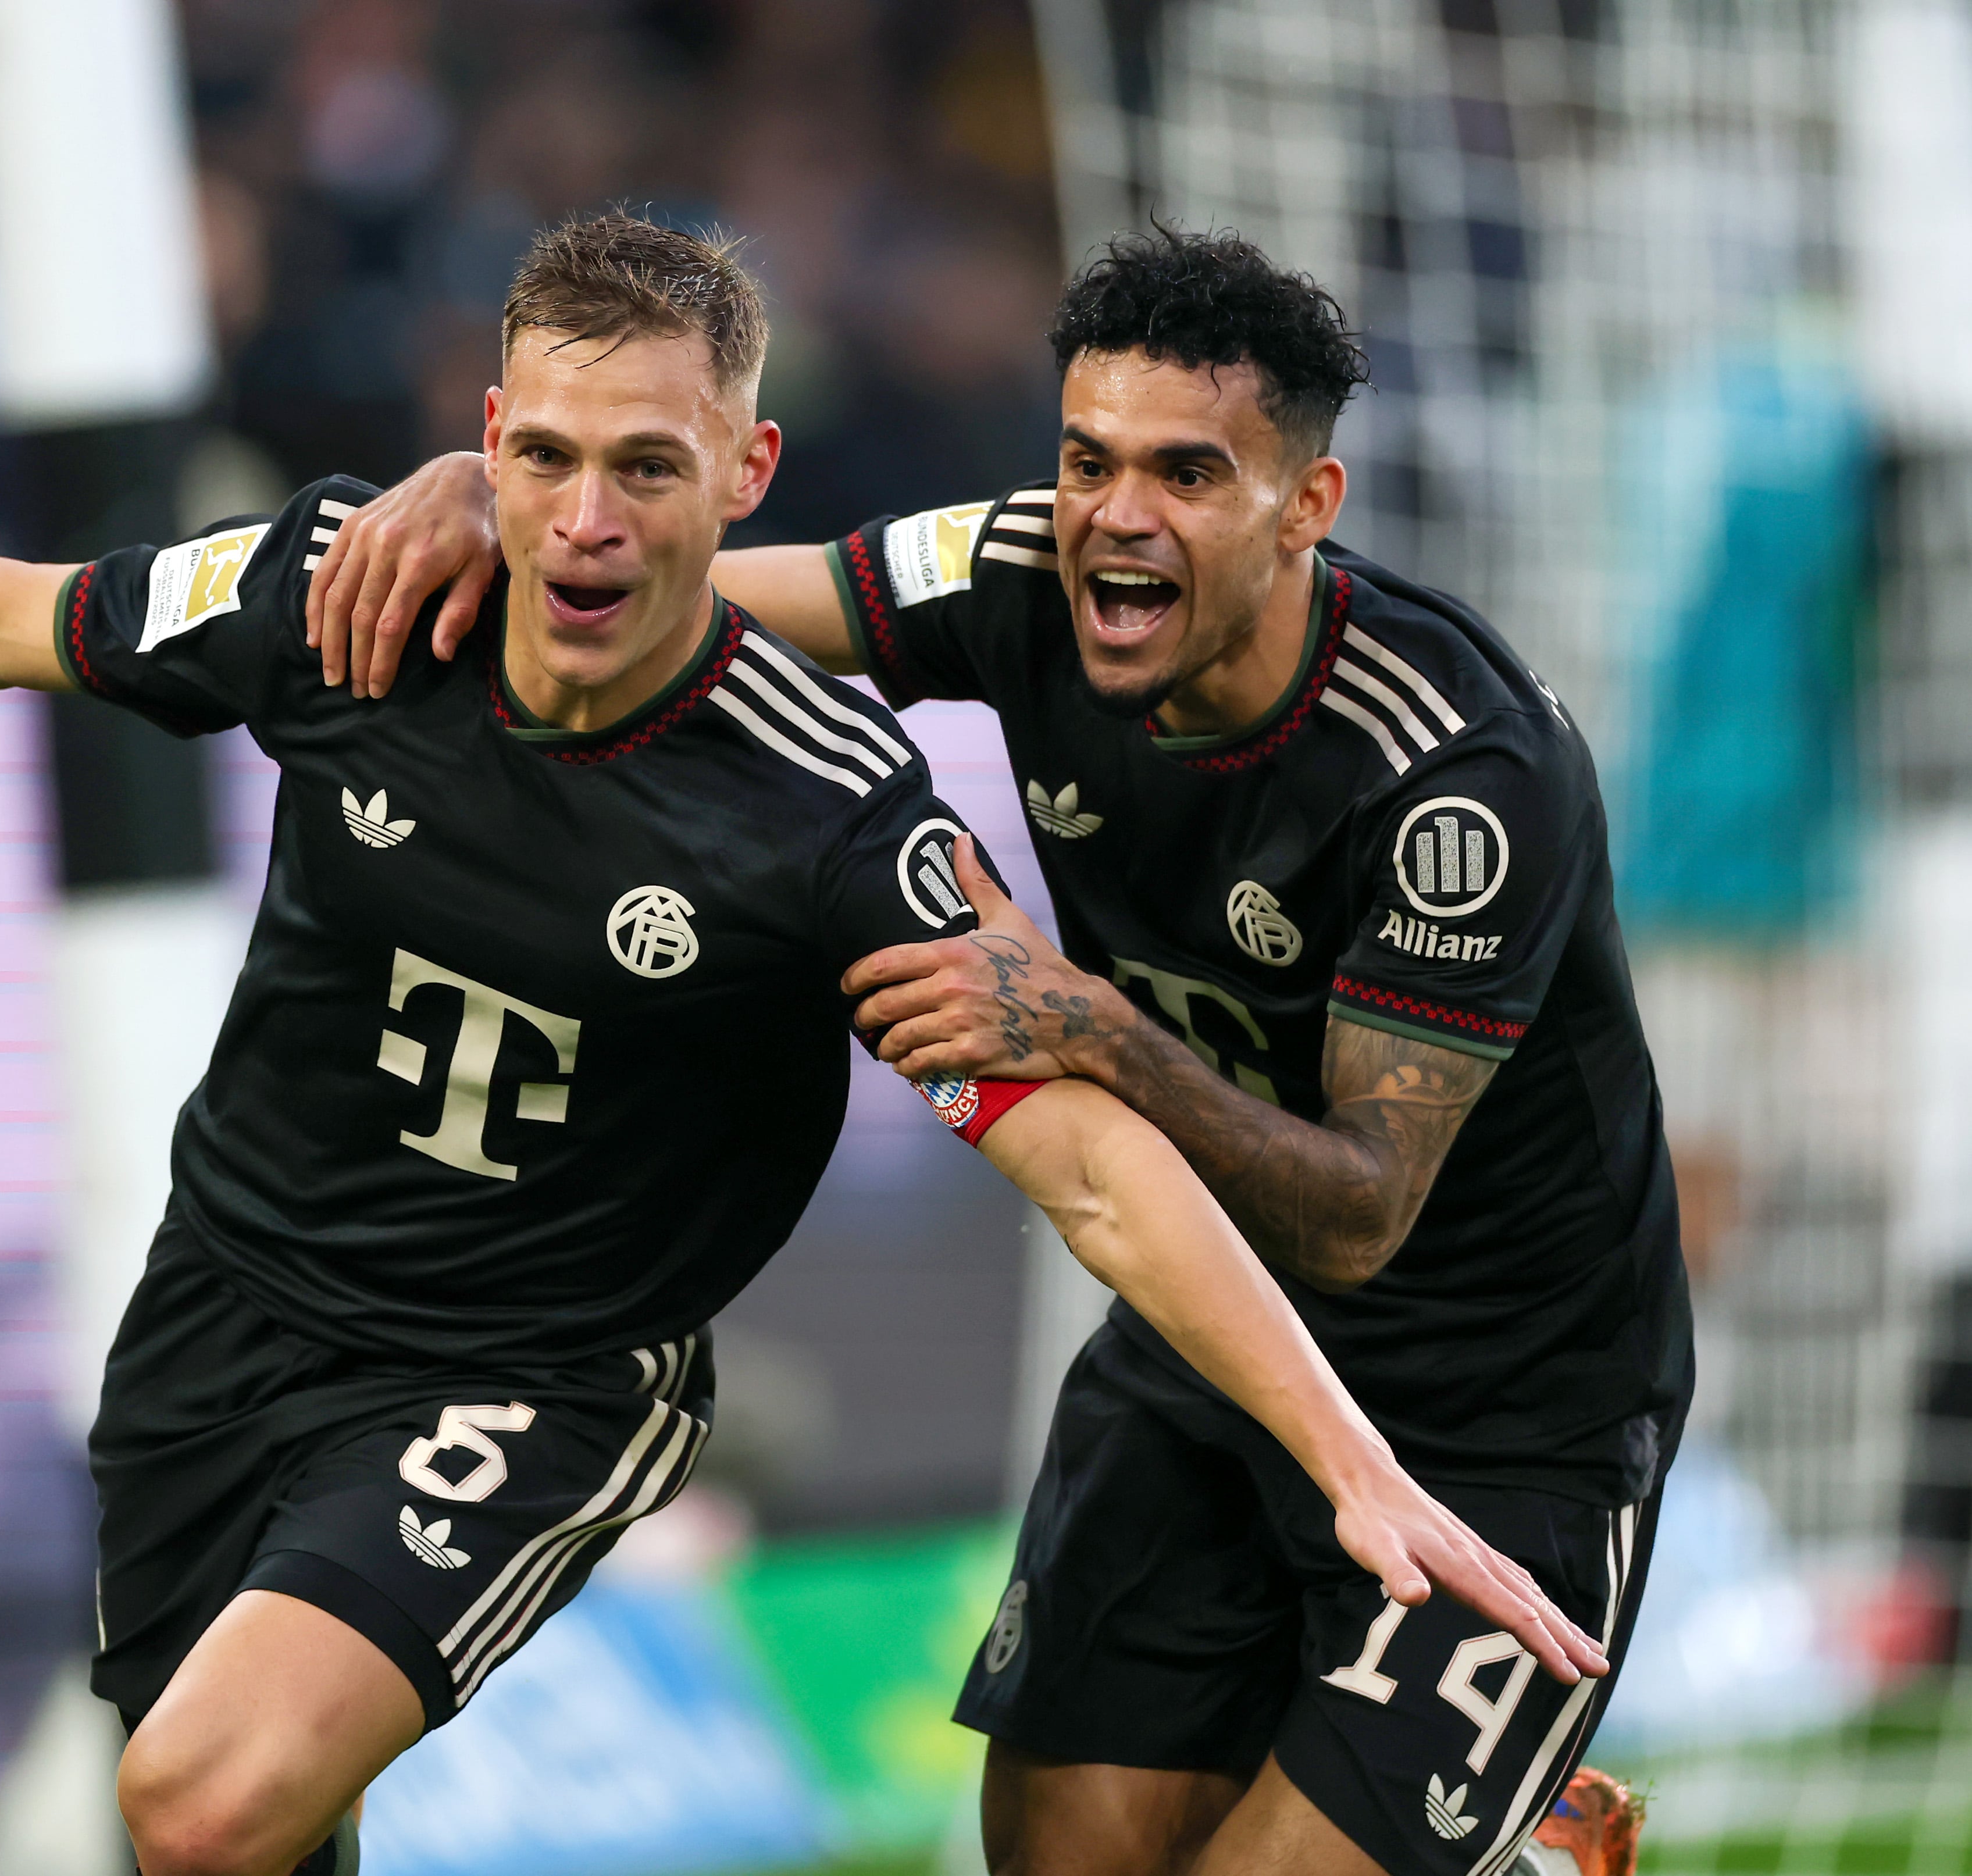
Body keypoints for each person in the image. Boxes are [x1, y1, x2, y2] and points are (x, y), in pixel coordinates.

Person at [0, 215, 1600, 1876]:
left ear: (745, 474)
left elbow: (1094, 1166)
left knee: (192, 1800)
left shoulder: (833, 817)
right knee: (240, 1833)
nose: (587, 521)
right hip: (226, 1321)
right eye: (548, 456)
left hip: (531, 1373)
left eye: (650, 469)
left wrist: (1351, 1465)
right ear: (485, 447)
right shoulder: (347, 605)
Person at [310, 226, 1686, 1876]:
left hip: (1498, 1415)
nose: (1115, 514)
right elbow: (678, 594)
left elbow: (1360, 1212)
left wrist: (1096, 1024)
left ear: (1305, 509)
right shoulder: (1023, 573)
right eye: (1089, 458)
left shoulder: (1458, 775)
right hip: (1204, 1352)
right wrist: (508, 513)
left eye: (1189, 473)